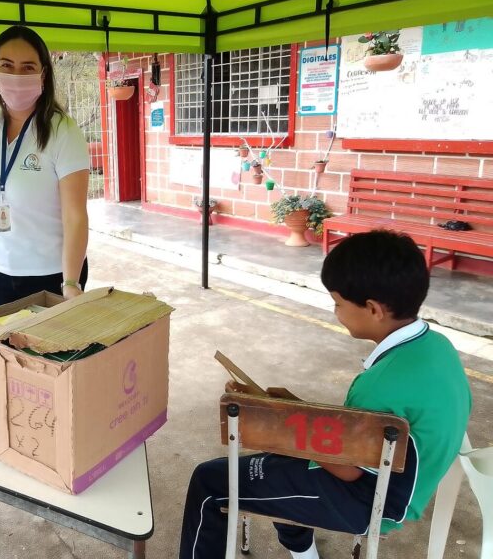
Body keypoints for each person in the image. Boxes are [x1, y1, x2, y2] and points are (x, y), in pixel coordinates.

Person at [179, 230, 471, 559]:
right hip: (403, 487)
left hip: (371, 504)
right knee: (280, 463)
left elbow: (348, 470)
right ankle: (304, 553)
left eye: (338, 303)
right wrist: (297, 417)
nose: (336, 312)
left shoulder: (379, 386)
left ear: (373, 309)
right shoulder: (438, 346)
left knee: (210, 482)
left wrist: (283, 424)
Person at [0, 25, 90, 306]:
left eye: (27, 67)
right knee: (10, 349)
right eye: (7, 66)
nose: (16, 76)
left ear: (43, 74)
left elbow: (76, 216)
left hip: (52, 274)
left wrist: (71, 283)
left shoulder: (63, 131)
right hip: (0, 270)